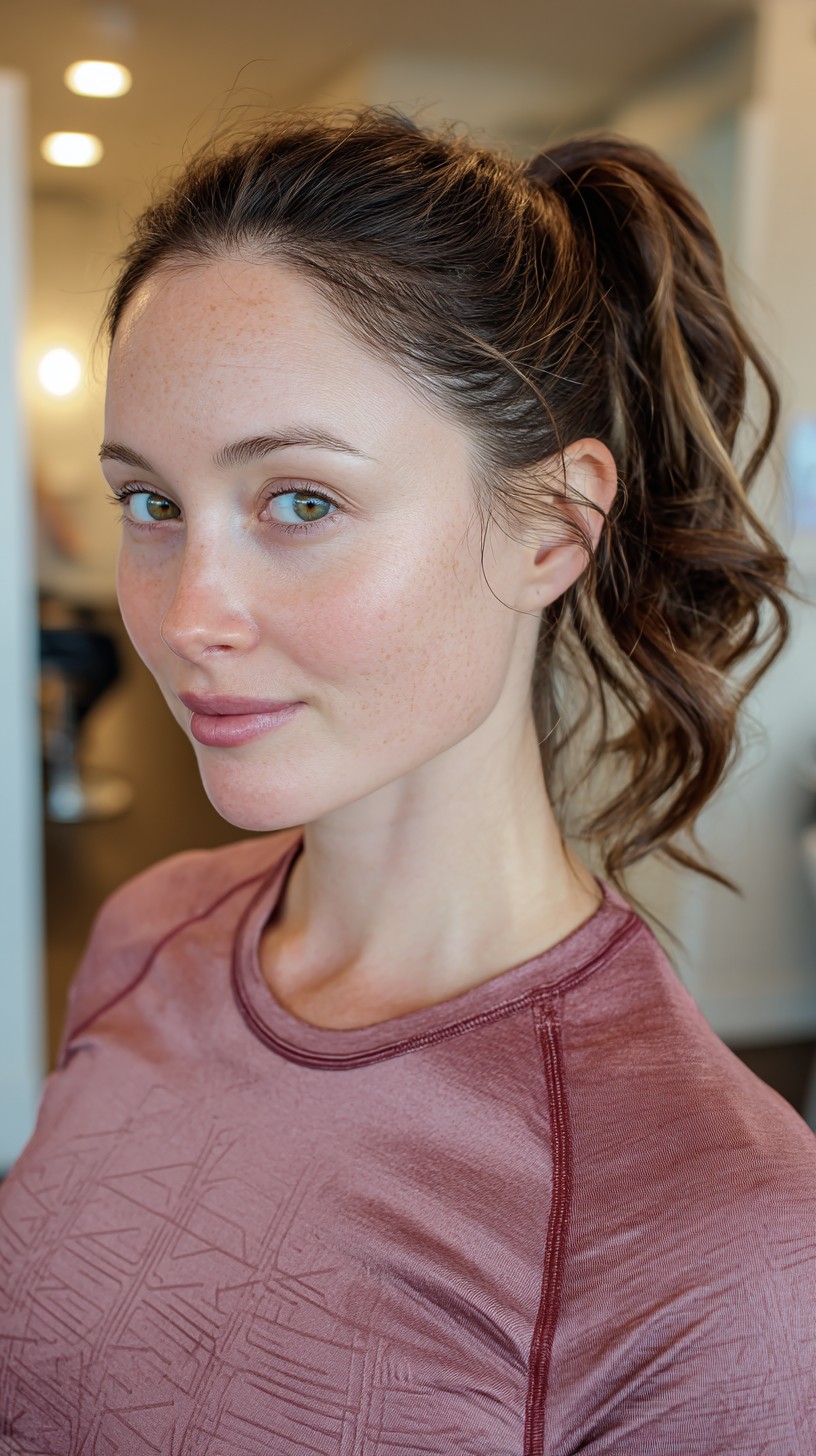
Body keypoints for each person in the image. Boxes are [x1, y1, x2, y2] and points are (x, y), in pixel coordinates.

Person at [1, 107, 814, 1455]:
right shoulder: (150, 935)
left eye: (299, 503)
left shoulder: (718, 1232)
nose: (189, 612)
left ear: (555, 525)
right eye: (152, 503)